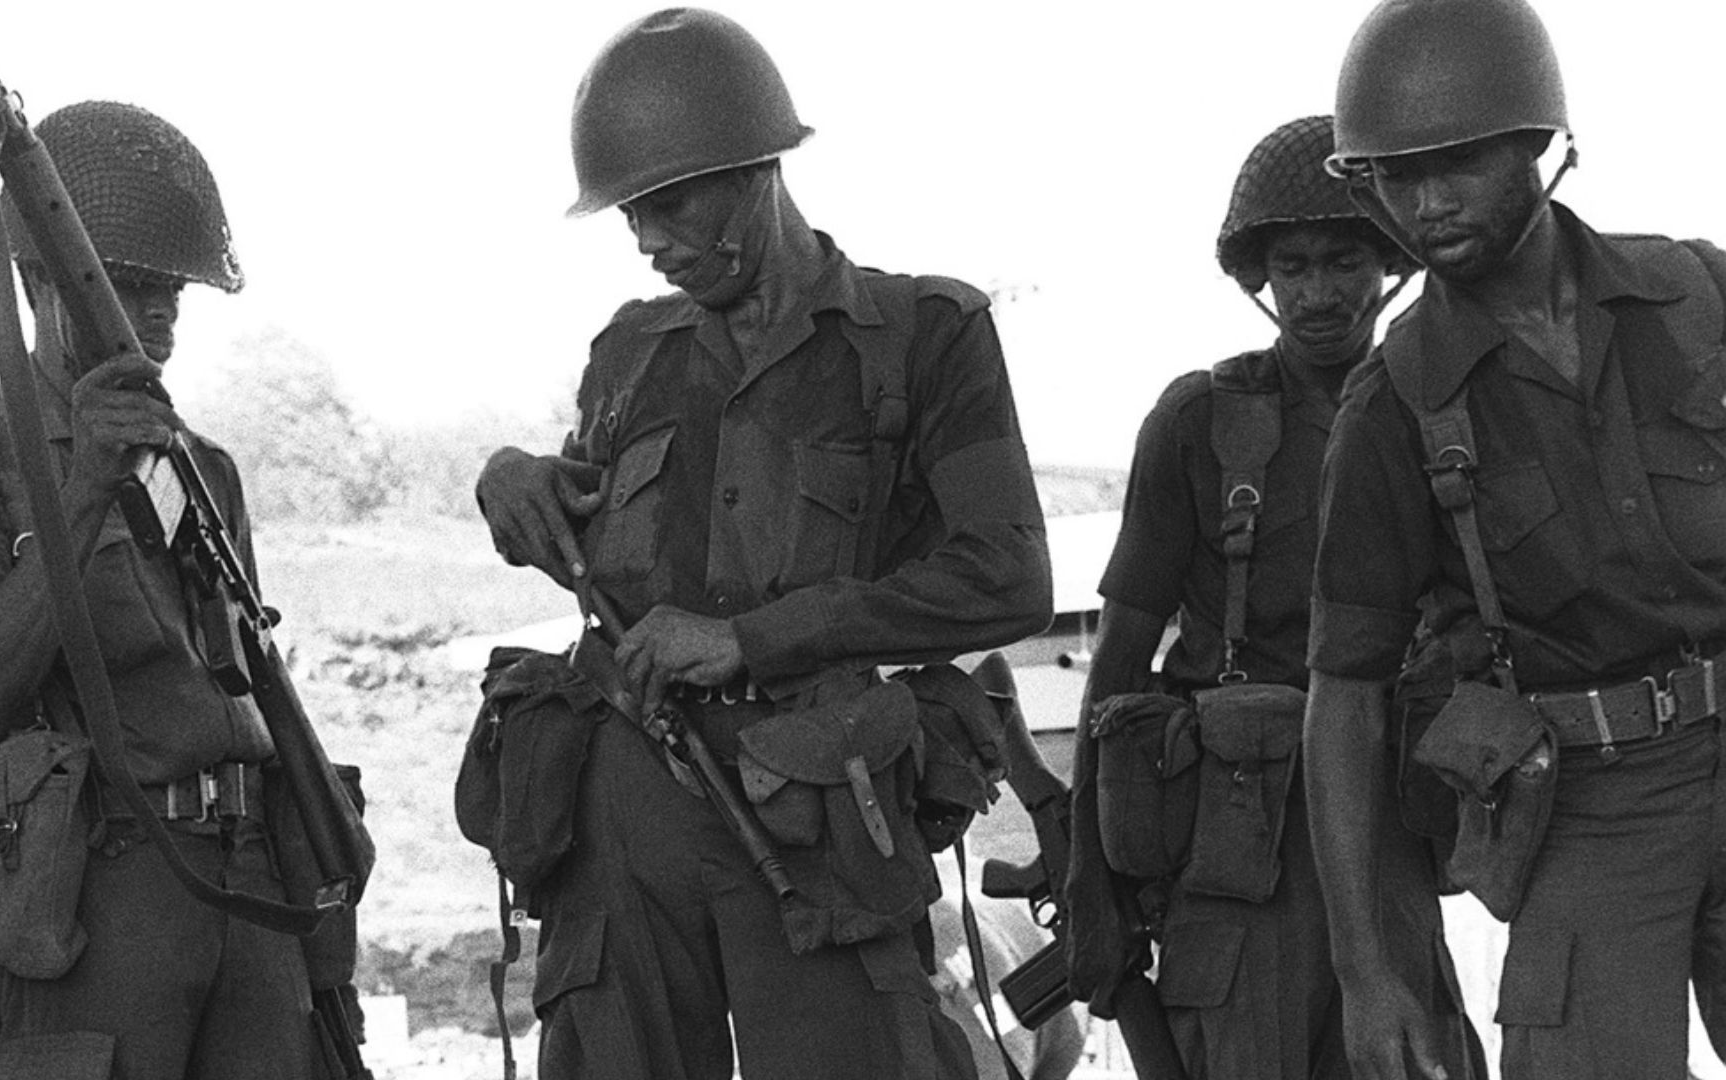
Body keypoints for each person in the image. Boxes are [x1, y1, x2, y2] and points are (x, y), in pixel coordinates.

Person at [474, 9, 1052, 1079]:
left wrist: (754, 639)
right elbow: (586, 526)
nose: (649, 240)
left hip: (817, 815)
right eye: (632, 216)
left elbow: (1009, 578)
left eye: (669, 204)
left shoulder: (926, 335)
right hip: (625, 823)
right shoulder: (631, 352)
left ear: (757, 170)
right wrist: (515, 483)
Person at [1306, 1, 1726, 1078]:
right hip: (1598, 803)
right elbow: (1344, 695)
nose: (1428, 202)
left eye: (1459, 163)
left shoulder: (1697, 295)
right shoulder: (1394, 407)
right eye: (1396, 178)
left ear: (1540, 146)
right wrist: (1367, 973)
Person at [0, 101, 314, 1079]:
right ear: (37, 281)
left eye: (170, 293)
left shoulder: (203, 469)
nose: (153, 318)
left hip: (251, 881)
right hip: (99, 894)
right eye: (124, 288)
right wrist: (83, 492)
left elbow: (246, 677)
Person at [1069, 114, 1477, 1080]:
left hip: (1383, 829)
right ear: (1259, 278)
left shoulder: (1440, 411)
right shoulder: (1200, 423)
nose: (1319, 293)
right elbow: (1117, 667)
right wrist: (1088, 877)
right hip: (1233, 847)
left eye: (1344, 260)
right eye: (1291, 266)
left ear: (1390, 262)